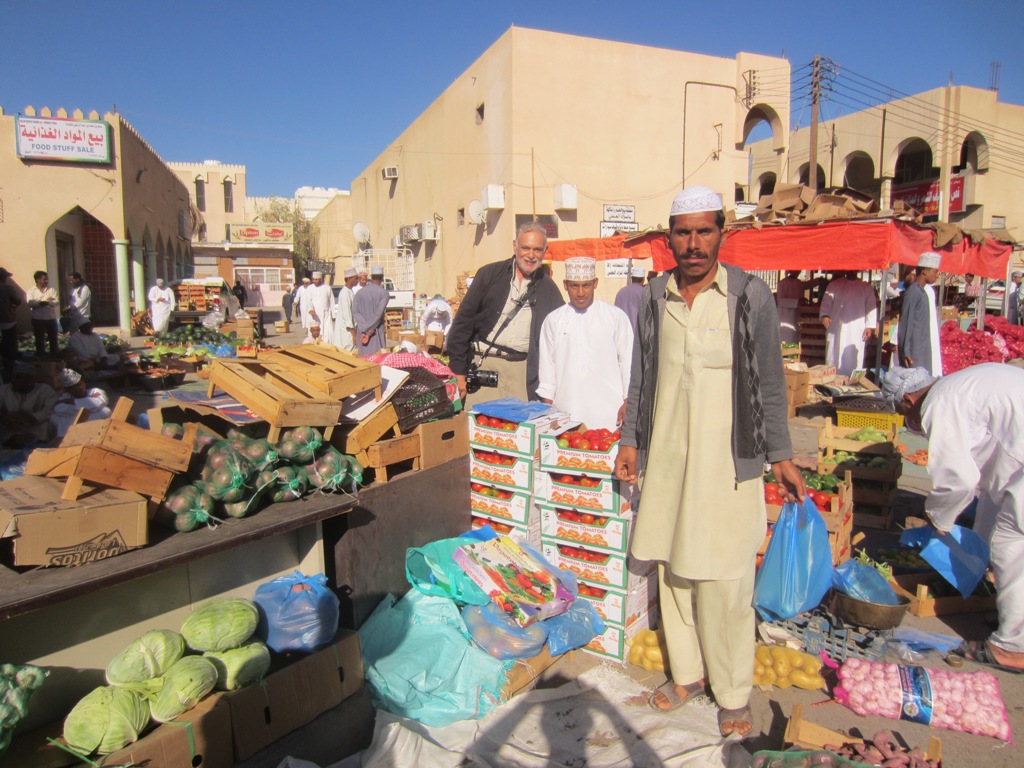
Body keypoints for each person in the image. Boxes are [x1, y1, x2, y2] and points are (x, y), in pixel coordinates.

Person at [614, 186, 805, 737]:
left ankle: (733, 693)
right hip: (669, 457)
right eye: (682, 231)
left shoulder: (749, 297)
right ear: (668, 236)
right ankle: (689, 675)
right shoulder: (654, 296)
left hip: (730, 463)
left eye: (704, 231)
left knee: (725, 579)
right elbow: (641, 377)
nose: (693, 244)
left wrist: (782, 455)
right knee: (673, 570)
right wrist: (631, 439)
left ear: (723, 232)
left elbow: (770, 382)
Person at [883, 364, 1024, 673]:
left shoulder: (939, 402)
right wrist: (979, 536)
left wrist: (939, 519)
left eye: (903, 413)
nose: (910, 423)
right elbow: (994, 469)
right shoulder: (961, 387)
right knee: (1004, 536)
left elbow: (958, 478)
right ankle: (1016, 623)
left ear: (907, 400)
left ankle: (1012, 647)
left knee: (1010, 544)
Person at [447, 222, 564, 403]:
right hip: (485, 368)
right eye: (525, 248)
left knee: (519, 428)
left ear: (545, 250)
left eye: (537, 249)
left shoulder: (549, 288)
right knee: (479, 427)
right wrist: (458, 371)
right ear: (515, 246)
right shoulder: (489, 275)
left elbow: (561, 334)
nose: (531, 255)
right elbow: (462, 323)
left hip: (523, 374)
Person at [537, 257, 632, 431]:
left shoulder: (615, 317)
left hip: (610, 415)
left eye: (586, 285)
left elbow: (627, 362)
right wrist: (548, 413)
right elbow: (547, 371)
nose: (581, 292)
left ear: (595, 283)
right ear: (565, 285)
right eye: (574, 286)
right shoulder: (553, 320)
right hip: (566, 415)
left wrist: (628, 401)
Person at [820, 271, 878, 376]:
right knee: (833, 356)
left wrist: (869, 326)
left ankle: (852, 382)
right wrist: (825, 315)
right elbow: (826, 302)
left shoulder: (866, 287)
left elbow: (871, 307)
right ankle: (831, 382)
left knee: (853, 357)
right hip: (836, 327)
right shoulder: (834, 285)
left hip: (857, 329)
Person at [897, 252, 943, 376]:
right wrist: (906, 351)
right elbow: (906, 323)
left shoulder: (922, 292)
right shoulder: (913, 293)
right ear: (925, 272)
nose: (937, 275)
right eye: (935, 271)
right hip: (914, 352)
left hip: (923, 348)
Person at [0, 361, 57, 448]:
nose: (13, 381)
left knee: (51, 422)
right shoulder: (4, 390)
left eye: (18, 377)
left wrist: (30, 417)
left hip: (36, 429)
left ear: (31, 380)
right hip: (10, 430)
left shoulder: (45, 390)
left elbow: (51, 410)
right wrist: (5, 418)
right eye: (13, 377)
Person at [51, 367, 111, 438]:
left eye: (79, 385)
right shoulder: (64, 397)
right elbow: (59, 409)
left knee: (105, 411)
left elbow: (99, 402)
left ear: (84, 383)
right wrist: (89, 403)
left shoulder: (95, 391)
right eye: (72, 388)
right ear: (67, 390)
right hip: (76, 431)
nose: (78, 389)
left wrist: (72, 402)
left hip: (96, 429)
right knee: (55, 417)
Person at [775, 271, 821, 344]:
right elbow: (781, 301)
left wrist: (818, 280)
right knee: (786, 341)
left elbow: (807, 285)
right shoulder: (782, 283)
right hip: (785, 317)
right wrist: (797, 301)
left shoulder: (798, 282)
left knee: (796, 340)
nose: (798, 272)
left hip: (797, 317)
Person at [352, 266, 390, 355]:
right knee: (377, 360)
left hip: (362, 331)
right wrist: (369, 330)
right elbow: (378, 314)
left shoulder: (359, 292)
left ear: (371, 277)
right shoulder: (384, 294)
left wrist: (364, 327)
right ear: (382, 277)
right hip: (375, 333)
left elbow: (355, 311)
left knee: (363, 361)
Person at [27, 270, 60, 357]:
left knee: (53, 339)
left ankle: (54, 355)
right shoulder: (32, 291)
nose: (46, 281)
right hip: (38, 319)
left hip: (50, 318)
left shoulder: (51, 290)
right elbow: (30, 303)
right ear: (38, 279)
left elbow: (56, 302)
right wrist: (39, 304)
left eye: (47, 279)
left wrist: (48, 303)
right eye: (44, 279)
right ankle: (41, 356)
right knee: (39, 339)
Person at [0, 267, 22, 382]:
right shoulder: (7, 288)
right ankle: (9, 369)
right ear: (4, 278)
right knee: (9, 346)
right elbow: (17, 301)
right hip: (7, 320)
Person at [332, 268, 359, 351]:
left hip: (350, 329)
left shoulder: (349, 291)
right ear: (349, 279)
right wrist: (353, 333)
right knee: (348, 350)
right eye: (355, 279)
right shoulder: (345, 293)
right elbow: (347, 314)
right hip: (347, 331)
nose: (357, 281)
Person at [614, 266, 645, 335]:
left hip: (622, 332)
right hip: (638, 335)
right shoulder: (644, 293)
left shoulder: (621, 292)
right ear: (643, 280)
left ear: (632, 279)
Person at [304, 271, 335, 341]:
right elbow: (308, 301)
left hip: (326, 315)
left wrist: (333, 315)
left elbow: (332, 301)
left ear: (321, 279)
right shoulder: (310, 288)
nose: (314, 281)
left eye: (316, 279)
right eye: (313, 279)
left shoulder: (327, 288)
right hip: (314, 315)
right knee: (315, 332)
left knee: (327, 333)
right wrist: (311, 309)